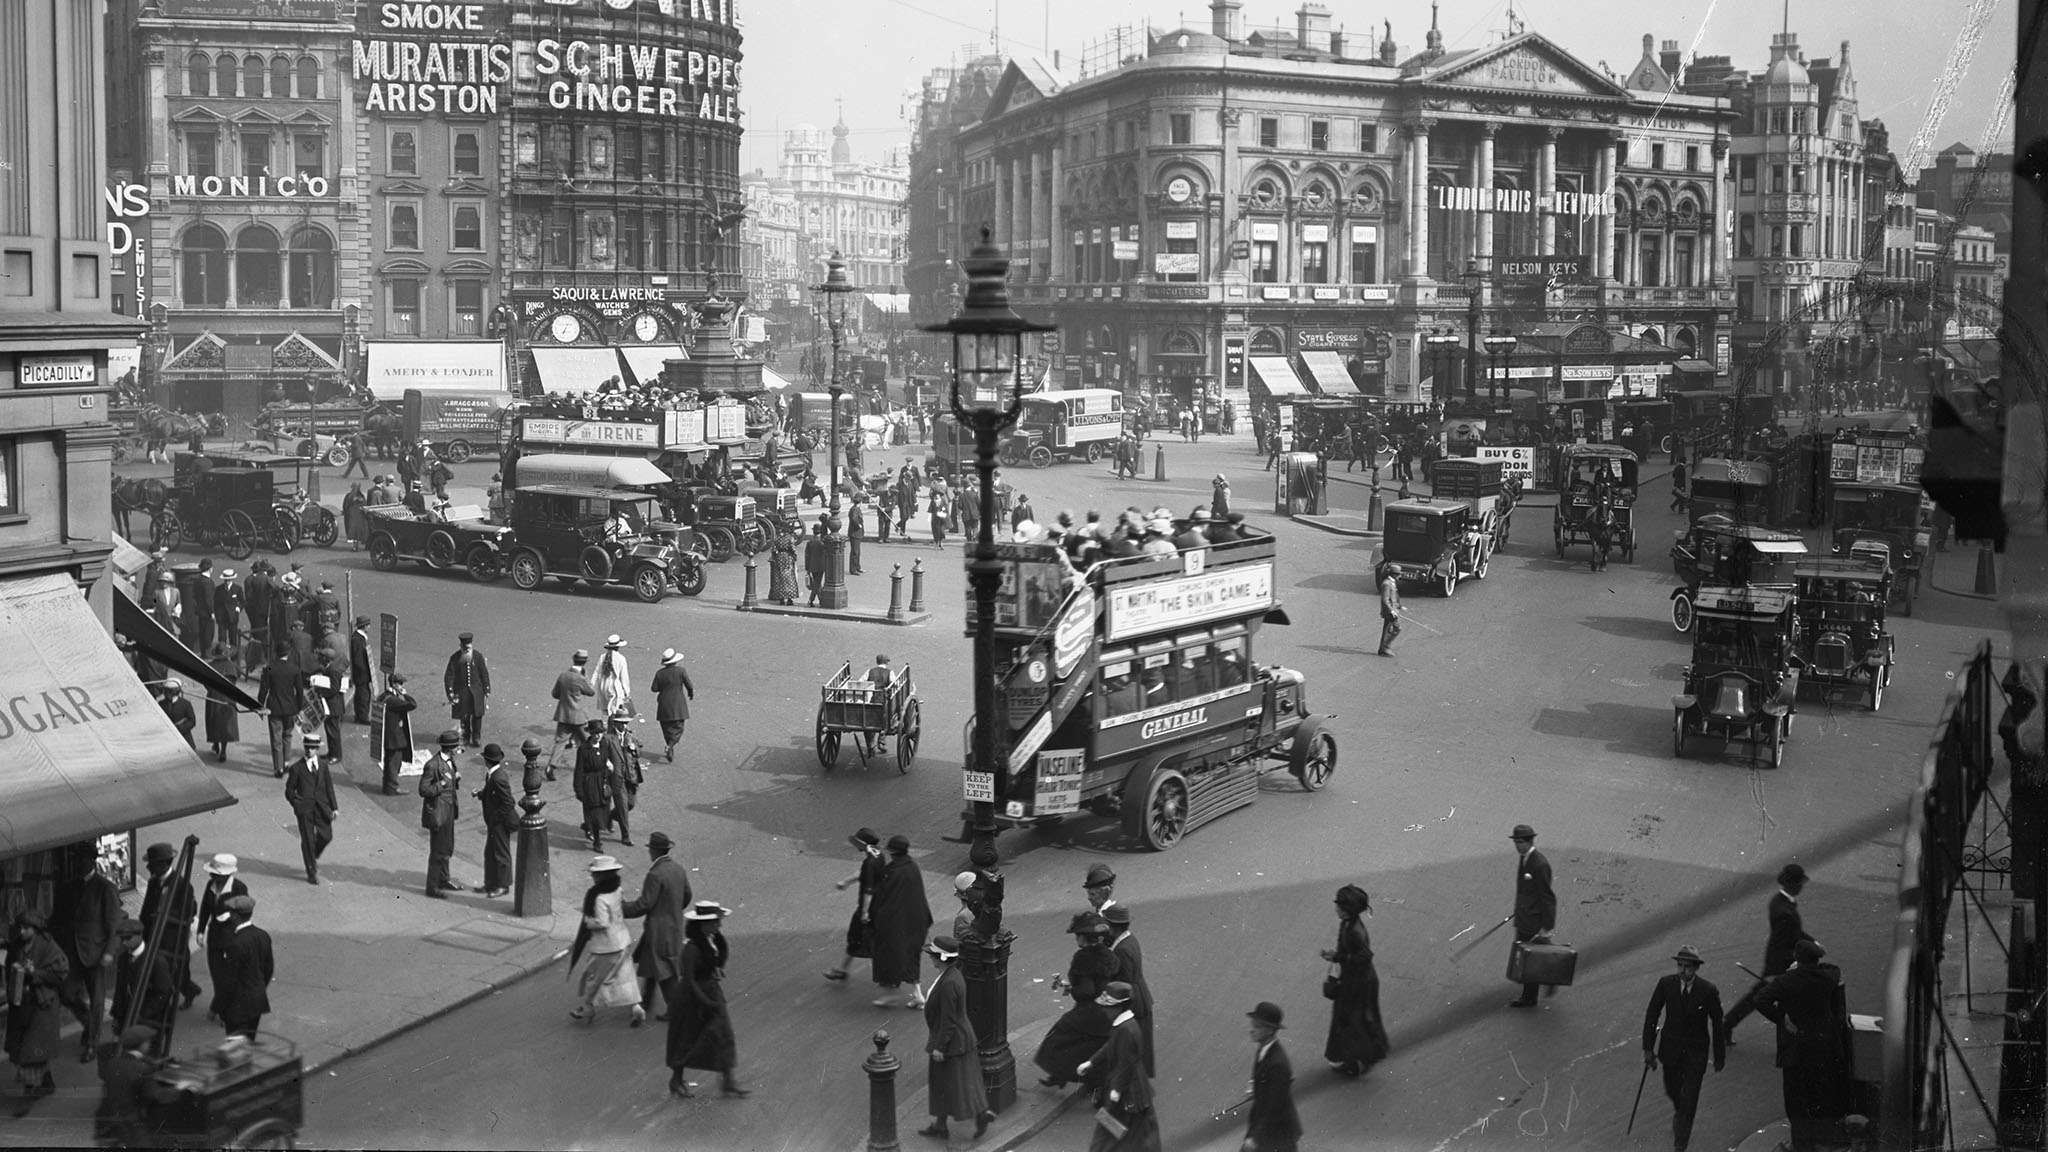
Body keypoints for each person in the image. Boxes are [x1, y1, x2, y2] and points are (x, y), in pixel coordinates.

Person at [1754, 941, 1852, 1151]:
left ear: (1797, 959)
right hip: (1822, 1051)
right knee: (1820, 1098)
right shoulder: (1827, 977)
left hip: (1795, 1053)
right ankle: (1822, 1141)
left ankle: (1801, 1145)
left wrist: (1782, 1018)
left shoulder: (1785, 981)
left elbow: (1760, 999)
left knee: (1796, 1104)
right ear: (1816, 959)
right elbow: (1833, 968)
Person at [1642, 944, 1726, 1152]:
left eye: (1687, 967)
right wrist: (1648, 1049)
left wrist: (1719, 1056)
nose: (1682, 971)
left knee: (1689, 1100)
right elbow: (1652, 1015)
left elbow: (1717, 1023)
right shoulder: (1666, 984)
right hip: (1670, 1051)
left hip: (1695, 1054)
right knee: (1673, 1090)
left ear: (1696, 968)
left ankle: (1680, 1145)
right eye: (1679, 966)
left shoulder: (1707, 990)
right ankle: (1680, 1114)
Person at [1724, 864, 1816, 1043]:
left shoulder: (1781, 902)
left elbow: (1795, 933)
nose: (1801, 887)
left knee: (1758, 998)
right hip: (1781, 963)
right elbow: (1786, 941)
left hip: (1780, 961)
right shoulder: (1784, 911)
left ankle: (1727, 1024)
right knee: (1761, 998)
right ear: (1792, 885)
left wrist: (1812, 942)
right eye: (1799, 884)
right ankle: (1727, 1024)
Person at [666, 901, 748, 1098]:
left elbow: (712, 961)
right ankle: (676, 1080)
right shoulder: (692, 949)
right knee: (687, 1039)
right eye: (715, 922)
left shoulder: (711, 940)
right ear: (703, 925)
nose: (718, 925)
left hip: (709, 991)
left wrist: (714, 972)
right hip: (692, 998)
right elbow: (689, 980)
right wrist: (706, 1002)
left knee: (723, 1033)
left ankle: (728, 1080)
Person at [917, 936, 992, 1140]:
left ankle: (980, 1115)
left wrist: (940, 1047)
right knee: (945, 1083)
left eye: (933, 955)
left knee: (956, 1083)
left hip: (951, 1042)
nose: (931, 958)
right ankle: (941, 1125)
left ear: (940, 958)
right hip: (955, 1039)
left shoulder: (949, 982)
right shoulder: (951, 974)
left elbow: (948, 1019)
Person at [1034, 912, 1118, 1088]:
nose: (1076, 939)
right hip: (1108, 1010)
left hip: (1091, 1011)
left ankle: (1059, 1073)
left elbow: (1087, 991)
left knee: (1058, 1036)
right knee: (1087, 1045)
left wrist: (1071, 988)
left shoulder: (1084, 957)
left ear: (1084, 938)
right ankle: (1085, 1079)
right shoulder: (1106, 954)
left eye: (1077, 936)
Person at [1078, 982, 1159, 1151]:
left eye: (1108, 1008)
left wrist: (1117, 1090)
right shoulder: (1125, 1025)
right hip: (1133, 1093)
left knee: (1110, 1133)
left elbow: (1126, 1063)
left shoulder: (1126, 1030)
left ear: (1119, 1007)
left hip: (1126, 1093)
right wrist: (1091, 1062)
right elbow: (1111, 1046)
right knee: (1135, 1135)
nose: (1104, 1011)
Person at [1321, 884, 1389, 1077]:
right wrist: (1335, 956)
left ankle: (1358, 1061)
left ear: (1347, 910)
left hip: (1360, 983)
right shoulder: (1347, 924)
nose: (1337, 909)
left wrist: (1340, 958)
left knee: (1354, 1021)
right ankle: (1355, 1058)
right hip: (1354, 979)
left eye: (1340, 907)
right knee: (1351, 1020)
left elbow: (1364, 956)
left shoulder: (1354, 931)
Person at [568, 856, 645, 1026]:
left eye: (595, 874)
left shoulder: (598, 898)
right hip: (622, 940)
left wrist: (589, 922)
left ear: (601, 876)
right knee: (626, 976)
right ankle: (636, 1007)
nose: (593, 877)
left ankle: (587, 1007)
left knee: (592, 978)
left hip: (605, 946)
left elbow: (602, 922)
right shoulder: (617, 890)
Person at [624, 831, 693, 1018]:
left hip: (657, 930)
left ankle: (674, 1008)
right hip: (674, 927)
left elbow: (644, 904)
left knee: (661, 969)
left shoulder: (655, 874)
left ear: (654, 851)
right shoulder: (678, 869)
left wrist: (621, 908)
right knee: (652, 963)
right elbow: (687, 895)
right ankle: (646, 999)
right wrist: (672, 909)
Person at [59, 856, 122, 1060]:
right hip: (73, 952)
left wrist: (110, 951)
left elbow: (114, 924)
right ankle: (88, 1024)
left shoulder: (105, 888)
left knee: (97, 999)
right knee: (67, 993)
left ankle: (93, 1044)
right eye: (76, 863)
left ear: (92, 864)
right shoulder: (71, 887)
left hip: (96, 953)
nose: (78, 867)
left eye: (82, 863)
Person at [6, 911, 68, 1104]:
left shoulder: (49, 946)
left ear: (36, 929)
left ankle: (28, 1094)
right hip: (22, 1003)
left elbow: (61, 972)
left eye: (26, 928)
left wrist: (35, 973)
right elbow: (9, 963)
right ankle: (47, 1083)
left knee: (30, 1050)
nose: (22, 931)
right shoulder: (17, 944)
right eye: (20, 928)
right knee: (30, 1048)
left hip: (42, 1004)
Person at [868, 833, 932, 1009]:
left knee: (889, 956)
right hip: (917, 919)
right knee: (912, 955)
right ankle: (917, 994)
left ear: (892, 852)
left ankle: (890, 993)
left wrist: (872, 916)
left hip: (896, 922)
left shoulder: (892, 872)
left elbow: (882, 897)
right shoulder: (913, 866)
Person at [138, 842, 202, 1010]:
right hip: (154, 935)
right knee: (161, 970)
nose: (148, 867)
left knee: (178, 971)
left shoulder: (181, 885)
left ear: (163, 864)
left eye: (152, 864)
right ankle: (169, 996)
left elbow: (190, 911)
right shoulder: (153, 883)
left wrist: (165, 916)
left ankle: (189, 992)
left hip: (173, 939)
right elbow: (146, 909)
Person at [824, 828, 886, 983]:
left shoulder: (870, 862)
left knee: (860, 937)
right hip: (879, 905)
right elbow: (863, 873)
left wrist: (864, 912)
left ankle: (885, 974)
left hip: (870, 908)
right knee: (859, 938)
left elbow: (868, 890)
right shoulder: (878, 856)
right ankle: (842, 969)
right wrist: (846, 882)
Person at [1507, 823, 1558, 1008]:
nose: (1517, 846)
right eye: (1516, 842)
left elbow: (1547, 897)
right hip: (1525, 918)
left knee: (1530, 959)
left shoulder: (1539, 864)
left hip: (1533, 922)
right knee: (1531, 956)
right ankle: (1544, 984)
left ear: (1529, 841)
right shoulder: (1525, 859)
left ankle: (1530, 997)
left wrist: (1547, 927)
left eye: (1520, 842)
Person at [1102, 905, 1155, 1077]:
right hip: (1141, 995)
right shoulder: (1129, 939)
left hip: (1133, 1002)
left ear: (1113, 927)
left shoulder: (1122, 950)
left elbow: (1122, 981)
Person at [1243, 1001, 1303, 1152]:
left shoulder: (1278, 1065)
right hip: (1267, 1128)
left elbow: (1276, 1107)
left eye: (1256, 1026)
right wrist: (1255, 1087)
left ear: (1270, 1030)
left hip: (1276, 1133)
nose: (1251, 1030)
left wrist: (1256, 1138)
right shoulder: (1264, 1050)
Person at [196, 855, 248, 1024]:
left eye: (216, 874)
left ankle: (223, 1012)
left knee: (228, 978)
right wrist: (201, 930)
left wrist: (230, 916)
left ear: (226, 875)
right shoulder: (210, 886)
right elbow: (205, 908)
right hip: (215, 938)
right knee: (217, 976)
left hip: (232, 940)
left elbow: (245, 913)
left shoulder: (239, 888)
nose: (212, 877)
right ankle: (218, 1007)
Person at [282, 732, 337, 885]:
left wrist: (334, 807)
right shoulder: (297, 768)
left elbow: (328, 786)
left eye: (313, 748)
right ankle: (311, 871)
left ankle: (313, 856)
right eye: (307, 747)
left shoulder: (323, 766)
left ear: (317, 749)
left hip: (322, 808)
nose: (309, 751)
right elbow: (289, 790)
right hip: (305, 810)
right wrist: (296, 803)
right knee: (307, 839)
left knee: (326, 836)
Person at [214, 895, 272, 1039]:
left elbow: (229, 979)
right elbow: (268, 968)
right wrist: (258, 987)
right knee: (249, 1042)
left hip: (238, 1005)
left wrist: (216, 1007)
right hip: (257, 1000)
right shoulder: (263, 935)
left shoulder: (235, 943)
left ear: (234, 916)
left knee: (235, 1049)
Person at [94, 1023, 162, 1145]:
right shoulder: (143, 1069)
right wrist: (178, 1089)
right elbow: (153, 1095)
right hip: (130, 1127)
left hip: (105, 1123)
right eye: (147, 1042)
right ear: (143, 1045)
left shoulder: (112, 1063)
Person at [418, 730, 464, 897]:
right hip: (438, 810)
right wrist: (442, 783)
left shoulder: (450, 761)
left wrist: (454, 779)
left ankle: (444, 879)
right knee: (438, 850)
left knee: (447, 846)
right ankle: (432, 887)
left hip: (449, 809)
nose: (458, 749)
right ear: (450, 748)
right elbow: (423, 789)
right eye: (456, 747)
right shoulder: (432, 765)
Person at [254, 643, 306, 778]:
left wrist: (260, 706)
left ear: (276, 653)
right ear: (288, 653)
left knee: (276, 738)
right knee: (287, 736)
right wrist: (300, 709)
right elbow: (300, 691)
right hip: (291, 708)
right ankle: (287, 762)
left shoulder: (269, 668)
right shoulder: (295, 669)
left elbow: (263, 690)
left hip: (274, 708)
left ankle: (278, 768)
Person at [477, 744, 518, 898]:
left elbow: (508, 802)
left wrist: (496, 818)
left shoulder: (498, 777)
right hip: (495, 821)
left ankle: (503, 885)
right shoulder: (494, 774)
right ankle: (490, 883)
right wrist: (481, 794)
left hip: (499, 822)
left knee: (501, 853)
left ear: (486, 760)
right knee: (490, 852)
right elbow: (491, 793)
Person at [550, 650, 598, 781]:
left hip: (563, 715)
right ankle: (591, 765)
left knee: (560, 742)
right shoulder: (580, 678)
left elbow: (555, 694)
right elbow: (591, 692)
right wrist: (586, 677)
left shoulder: (563, 676)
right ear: (585, 662)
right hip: (578, 716)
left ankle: (551, 766)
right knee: (587, 742)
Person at [573, 720, 615, 851]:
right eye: (595, 733)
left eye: (600, 733)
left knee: (603, 810)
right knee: (595, 813)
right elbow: (579, 770)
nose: (598, 736)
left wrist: (610, 767)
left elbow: (607, 760)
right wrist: (579, 789)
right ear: (590, 733)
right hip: (590, 784)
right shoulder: (584, 749)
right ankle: (597, 842)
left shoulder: (604, 746)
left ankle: (588, 826)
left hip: (602, 782)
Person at [649, 648, 695, 765]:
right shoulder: (681, 671)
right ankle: (670, 745)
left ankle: (670, 747)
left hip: (664, 705)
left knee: (666, 729)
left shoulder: (659, 673)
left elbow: (654, 688)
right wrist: (690, 693)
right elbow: (689, 684)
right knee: (679, 727)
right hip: (678, 705)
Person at [444, 631, 490, 747]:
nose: (467, 650)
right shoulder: (455, 658)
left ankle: (476, 737)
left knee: (477, 716)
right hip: (462, 692)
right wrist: (450, 692)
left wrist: (486, 689)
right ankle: (465, 736)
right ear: (461, 647)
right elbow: (449, 676)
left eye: (469, 648)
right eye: (465, 648)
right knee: (464, 716)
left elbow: (484, 673)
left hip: (476, 692)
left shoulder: (478, 656)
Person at [378, 671, 417, 796]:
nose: (402, 687)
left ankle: (387, 786)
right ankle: (392, 787)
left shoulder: (383, 696)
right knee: (394, 763)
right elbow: (412, 705)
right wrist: (405, 695)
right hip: (395, 737)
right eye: (400, 684)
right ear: (394, 685)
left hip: (388, 736)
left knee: (389, 761)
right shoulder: (393, 701)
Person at [594, 634, 633, 719]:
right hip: (614, 686)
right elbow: (624, 677)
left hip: (603, 685)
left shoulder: (602, 657)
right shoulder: (621, 658)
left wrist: (591, 685)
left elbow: (597, 672)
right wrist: (627, 692)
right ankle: (612, 728)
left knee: (607, 710)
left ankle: (607, 726)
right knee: (615, 710)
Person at [349, 615, 374, 724]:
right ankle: (362, 717)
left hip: (360, 675)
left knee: (362, 695)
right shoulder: (358, 640)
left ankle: (360, 715)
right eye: (368, 625)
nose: (369, 628)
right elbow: (358, 660)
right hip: (361, 675)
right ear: (364, 626)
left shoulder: (358, 638)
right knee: (363, 696)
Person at [158, 679, 196, 746]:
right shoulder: (161, 704)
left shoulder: (186, 704)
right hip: (166, 737)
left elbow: (192, 721)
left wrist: (179, 728)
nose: (166, 694)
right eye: (166, 691)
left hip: (183, 736)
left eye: (169, 691)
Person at [768, 528, 800, 605]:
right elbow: (793, 549)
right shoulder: (790, 538)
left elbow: (773, 549)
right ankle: (790, 598)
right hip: (788, 557)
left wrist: (776, 556)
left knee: (779, 577)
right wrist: (794, 557)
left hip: (779, 557)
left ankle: (781, 598)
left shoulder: (777, 538)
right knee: (789, 577)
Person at [803, 521, 829, 606]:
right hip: (821, 566)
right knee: (817, 584)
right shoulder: (822, 543)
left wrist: (807, 568)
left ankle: (821, 600)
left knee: (817, 583)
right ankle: (811, 600)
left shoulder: (810, 543)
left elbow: (807, 556)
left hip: (812, 566)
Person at [342, 482, 367, 551]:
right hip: (360, 516)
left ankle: (354, 545)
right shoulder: (362, 496)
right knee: (358, 532)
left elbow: (345, 506)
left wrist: (345, 512)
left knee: (352, 531)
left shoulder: (349, 496)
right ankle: (357, 544)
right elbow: (365, 505)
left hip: (351, 516)